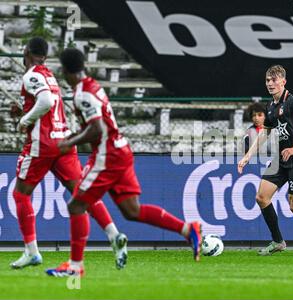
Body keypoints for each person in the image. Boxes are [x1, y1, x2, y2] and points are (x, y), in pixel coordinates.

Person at [46, 48, 202, 277]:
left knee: (76, 205)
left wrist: (70, 142)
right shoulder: (93, 86)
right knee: (132, 211)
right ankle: (188, 230)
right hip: (121, 150)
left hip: (107, 155)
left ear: (66, 70)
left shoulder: (81, 93)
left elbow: (97, 128)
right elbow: (98, 123)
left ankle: (75, 266)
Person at [10, 37, 128, 270]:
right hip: (63, 141)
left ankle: (32, 252)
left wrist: (25, 119)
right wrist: (24, 109)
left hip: (42, 145)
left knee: (21, 195)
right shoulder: (49, 75)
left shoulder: (31, 74)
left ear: (26, 52)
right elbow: (47, 102)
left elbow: (44, 101)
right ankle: (114, 235)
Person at [238, 65, 293, 256]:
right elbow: (264, 134)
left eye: (274, 80)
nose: (270, 84)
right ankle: (278, 241)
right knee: (261, 197)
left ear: (283, 82)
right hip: (280, 160)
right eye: (268, 80)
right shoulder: (270, 106)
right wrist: (247, 156)